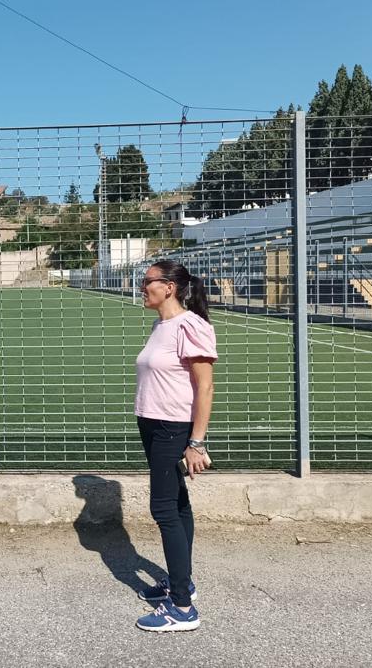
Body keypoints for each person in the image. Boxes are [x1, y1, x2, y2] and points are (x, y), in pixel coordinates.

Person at [132, 260, 217, 633]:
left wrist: (196, 442)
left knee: (164, 508)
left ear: (168, 287)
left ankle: (182, 607)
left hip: (172, 427)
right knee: (178, 504)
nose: (141, 287)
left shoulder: (191, 326)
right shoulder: (161, 325)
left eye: (147, 281)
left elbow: (205, 387)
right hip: (153, 423)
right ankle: (184, 581)